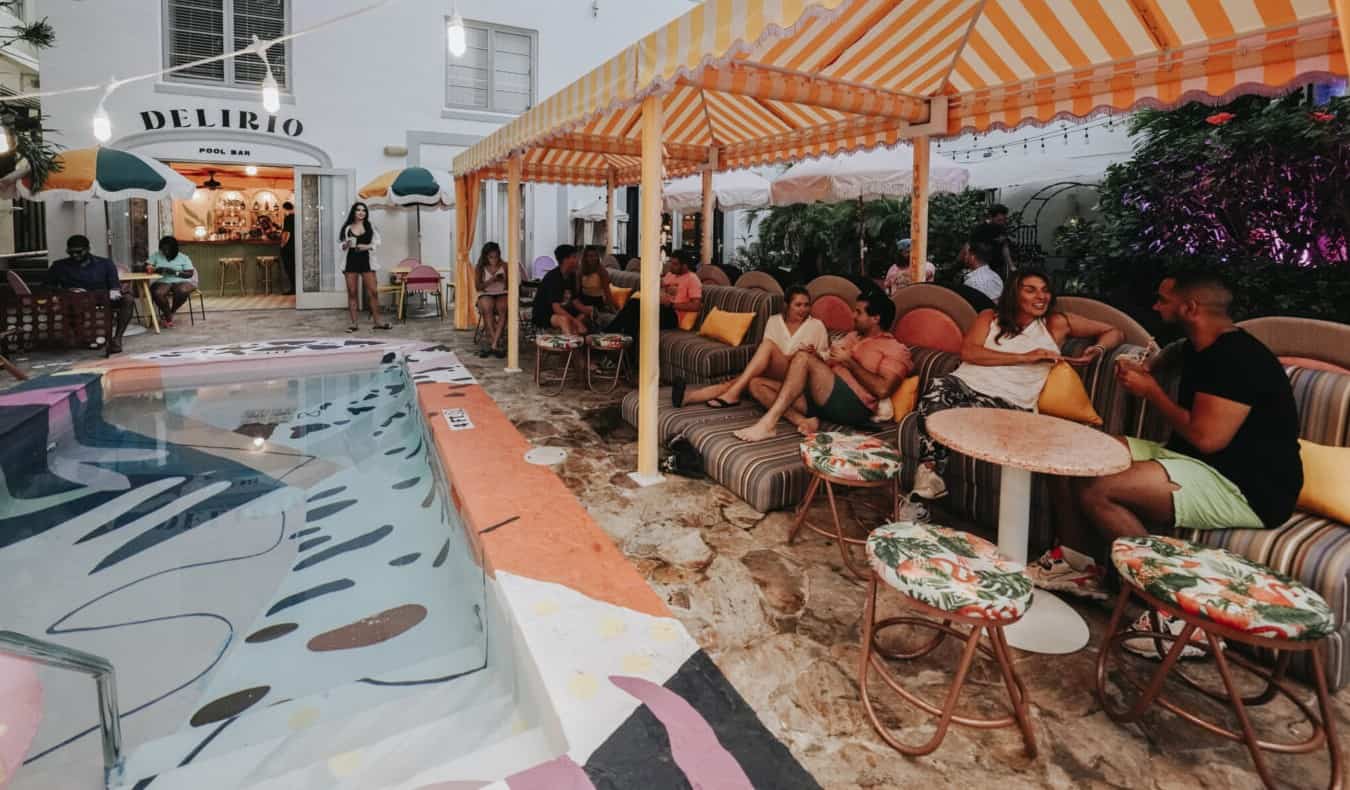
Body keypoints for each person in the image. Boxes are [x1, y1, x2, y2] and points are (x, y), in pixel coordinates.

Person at [1034, 271, 1301, 610]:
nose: (1155, 306)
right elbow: (1172, 356)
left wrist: (1152, 393)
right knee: (1070, 456)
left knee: (1099, 488)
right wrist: (1149, 367)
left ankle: (1173, 607)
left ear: (1190, 307)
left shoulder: (1239, 360)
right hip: (1192, 457)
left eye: (1163, 300)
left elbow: (1207, 439)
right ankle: (1076, 566)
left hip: (1246, 485)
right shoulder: (1199, 344)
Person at [911, 268, 1124, 501]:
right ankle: (929, 474)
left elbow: (1115, 331)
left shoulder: (1055, 323)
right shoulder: (989, 317)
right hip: (964, 385)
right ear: (1014, 293)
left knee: (946, 415)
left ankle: (925, 483)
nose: (1041, 296)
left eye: (1045, 291)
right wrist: (1026, 357)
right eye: (1030, 290)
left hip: (1009, 402)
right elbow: (969, 353)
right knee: (937, 387)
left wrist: (1098, 349)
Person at [734, 295, 911, 442]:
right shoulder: (852, 337)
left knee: (803, 358)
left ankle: (768, 424)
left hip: (851, 404)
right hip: (821, 395)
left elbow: (882, 389)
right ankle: (804, 420)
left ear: (875, 318)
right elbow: (827, 362)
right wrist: (817, 357)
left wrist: (849, 362)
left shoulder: (895, 349)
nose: (852, 315)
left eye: (858, 312)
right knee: (756, 384)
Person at [674, 286, 829, 409]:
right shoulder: (774, 321)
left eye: (806, 305)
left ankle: (732, 394)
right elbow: (767, 355)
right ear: (787, 305)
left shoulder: (816, 325)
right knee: (734, 382)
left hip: (797, 375)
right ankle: (688, 397)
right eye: (798, 305)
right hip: (774, 370)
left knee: (766, 347)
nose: (803, 309)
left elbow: (826, 358)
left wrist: (815, 354)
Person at [49, 234, 134, 354]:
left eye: (79, 252)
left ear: (88, 249)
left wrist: (114, 292)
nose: (75, 255)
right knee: (74, 301)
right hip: (74, 299)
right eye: (71, 252)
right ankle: (82, 336)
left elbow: (114, 285)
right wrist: (68, 291)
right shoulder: (59, 266)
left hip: (101, 297)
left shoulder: (105, 264)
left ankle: (117, 338)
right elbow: (46, 286)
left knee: (128, 299)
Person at [607, 249, 703, 345]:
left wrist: (672, 305)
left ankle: (607, 334)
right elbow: (660, 286)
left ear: (685, 266)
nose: (671, 266)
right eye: (671, 263)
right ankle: (625, 355)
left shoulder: (693, 279)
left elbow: (696, 306)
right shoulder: (671, 275)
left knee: (635, 306)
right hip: (660, 308)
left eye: (675, 264)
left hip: (673, 316)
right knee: (633, 318)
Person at [338, 202, 390, 332]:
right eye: (358, 210)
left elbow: (378, 242)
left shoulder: (370, 226)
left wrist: (367, 246)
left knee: (373, 292)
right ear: (354, 212)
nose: (361, 212)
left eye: (364, 210)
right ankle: (354, 323)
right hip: (351, 260)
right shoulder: (347, 227)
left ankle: (377, 322)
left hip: (367, 260)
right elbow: (341, 244)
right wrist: (345, 245)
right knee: (352, 292)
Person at [532, 244, 588, 336]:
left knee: (583, 315)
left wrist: (588, 310)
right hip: (545, 314)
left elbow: (575, 301)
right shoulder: (553, 278)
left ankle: (577, 343)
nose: (578, 260)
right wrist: (576, 322)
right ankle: (570, 345)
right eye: (574, 257)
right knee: (564, 320)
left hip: (563, 310)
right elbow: (556, 308)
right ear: (565, 260)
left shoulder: (572, 276)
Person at [145, 236, 197, 327]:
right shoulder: (157, 255)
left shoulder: (183, 257)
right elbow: (147, 266)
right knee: (158, 293)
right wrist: (153, 268)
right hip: (163, 280)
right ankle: (168, 314)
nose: (165, 252)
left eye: (168, 250)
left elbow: (189, 274)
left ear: (175, 249)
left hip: (181, 280)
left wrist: (174, 272)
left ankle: (171, 312)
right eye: (163, 250)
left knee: (182, 291)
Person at [472, 242, 510, 358]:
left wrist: (504, 281)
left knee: (503, 308)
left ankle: (493, 344)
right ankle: (495, 343)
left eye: (496, 256)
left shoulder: (504, 265)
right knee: (487, 308)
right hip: (486, 293)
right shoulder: (480, 267)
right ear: (485, 256)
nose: (494, 259)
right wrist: (492, 280)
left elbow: (510, 285)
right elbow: (478, 287)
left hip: (502, 292)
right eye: (491, 257)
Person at [573, 245, 617, 330]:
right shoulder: (581, 270)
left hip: (596, 301)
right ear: (585, 258)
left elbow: (607, 292)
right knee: (580, 314)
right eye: (590, 256)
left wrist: (612, 309)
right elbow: (577, 290)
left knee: (585, 317)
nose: (593, 258)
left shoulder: (602, 271)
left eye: (595, 256)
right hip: (583, 299)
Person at [972, 203, 1015, 277]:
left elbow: (1004, 247)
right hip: (983, 268)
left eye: (1004, 220)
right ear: (991, 217)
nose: (1002, 222)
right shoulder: (980, 229)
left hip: (999, 267)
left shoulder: (1002, 228)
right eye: (999, 220)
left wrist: (1011, 266)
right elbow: (973, 249)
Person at [960, 238, 1004, 303]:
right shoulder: (996, 277)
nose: (964, 257)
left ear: (972, 257)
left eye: (966, 254)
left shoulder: (973, 282)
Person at [279, 201, 296, 294]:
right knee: (294, 267)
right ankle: (296, 288)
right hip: (295, 246)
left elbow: (287, 233)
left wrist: (282, 244)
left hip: (289, 247)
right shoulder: (296, 217)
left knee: (289, 268)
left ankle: (293, 288)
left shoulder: (288, 218)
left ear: (285, 209)